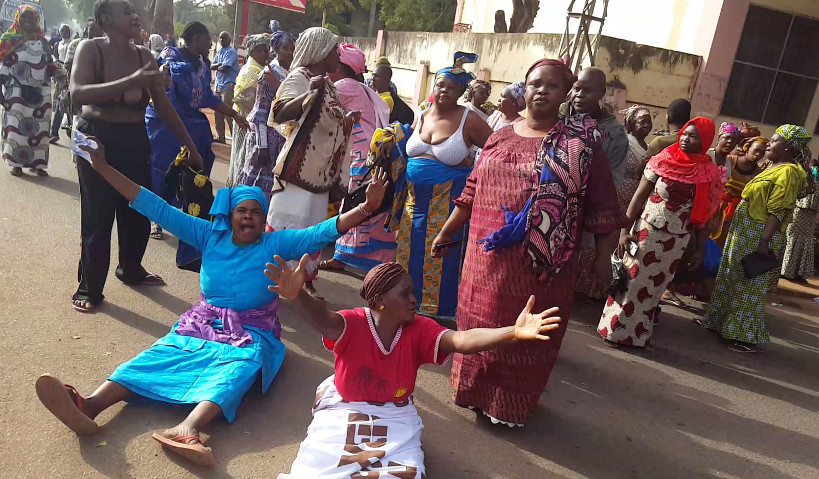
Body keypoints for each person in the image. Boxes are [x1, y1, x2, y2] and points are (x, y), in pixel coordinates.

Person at [35, 137, 390, 467]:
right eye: (241, 210)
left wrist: (366, 208)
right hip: (201, 323)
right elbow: (153, 205)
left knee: (237, 369)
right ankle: (89, 405)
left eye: (256, 212)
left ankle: (187, 429)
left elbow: (323, 231)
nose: (248, 216)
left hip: (253, 331)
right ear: (229, 216)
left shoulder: (276, 243)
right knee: (158, 355)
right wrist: (101, 167)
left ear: (263, 220)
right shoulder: (208, 234)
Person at [433, 58, 624, 426]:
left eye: (552, 86)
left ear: (565, 93)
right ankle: (472, 391)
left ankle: (508, 405)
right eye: (536, 83)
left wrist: (603, 258)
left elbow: (602, 204)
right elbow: (472, 188)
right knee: (478, 320)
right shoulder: (501, 134)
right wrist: (448, 230)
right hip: (484, 257)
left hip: (539, 267)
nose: (542, 91)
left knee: (525, 331)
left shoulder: (580, 145)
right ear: (525, 88)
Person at [270, 260, 562, 477]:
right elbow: (322, 318)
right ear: (380, 301)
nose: (414, 299)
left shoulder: (419, 329)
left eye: (413, 292)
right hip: (345, 408)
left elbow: (461, 340)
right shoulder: (353, 322)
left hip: (395, 413)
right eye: (405, 294)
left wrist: (512, 332)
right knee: (317, 468)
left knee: (401, 473)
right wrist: (298, 295)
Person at [69, 0, 205, 312]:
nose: (134, 16)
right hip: (96, 139)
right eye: (126, 11)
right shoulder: (91, 49)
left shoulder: (144, 56)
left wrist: (191, 146)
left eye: (134, 11)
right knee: (97, 216)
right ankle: (89, 287)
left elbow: (163, 105)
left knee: (138, 209)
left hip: (134, 139)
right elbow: (78, 93)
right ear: (106, 18)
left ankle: (130, 268)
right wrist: (133, 81)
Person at [598, 117, 723, 348]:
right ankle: (614, 332)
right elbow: (638, 198)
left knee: (654, 289)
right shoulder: (663, 160)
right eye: (685, 134)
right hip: (647, 233)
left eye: (693, 136)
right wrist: (624, 231)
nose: (686, 139)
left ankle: (638, 337)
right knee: (631, 283)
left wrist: (700, 248)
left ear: (705, 141)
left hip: (676, 240)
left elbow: (705, 215)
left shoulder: (708, 173)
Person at [146, 21, 249, 270]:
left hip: (193, 128)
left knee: (195, 184)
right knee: (163, 175)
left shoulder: (202, 66)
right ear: (194, 39)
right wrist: (171, 70)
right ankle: (155, 219)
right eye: (206, 39)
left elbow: (209, 98)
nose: (210, 44)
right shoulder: (172, 55)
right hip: (167, 127)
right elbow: (166, 74)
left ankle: (190, 245)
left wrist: (234, 114)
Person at [701, 125, 812, 352]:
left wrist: (764, 241)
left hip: (758, 234)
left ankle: (742, 336)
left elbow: (778, 210)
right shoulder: (773, 166)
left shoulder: (788, 172)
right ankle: (721, 323)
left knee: (748, 284)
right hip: (745, 231)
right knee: (732, 277)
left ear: (788, 147)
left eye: (775, 140)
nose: (769, 144)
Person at [399, 52, 493, 320]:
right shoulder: (422, 114)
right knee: (408, 253)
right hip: (413, 203)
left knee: (441, 255)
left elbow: (497, 151)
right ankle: (408, 305)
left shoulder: (469, 119)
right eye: (440, 85)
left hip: (447, 205)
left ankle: (439, 313)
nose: (444, 91)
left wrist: (472, 170)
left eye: (451, 87)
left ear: (461, 92)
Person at [267, 27, 357, 297]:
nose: (338, 56)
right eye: (333, 50)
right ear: (320, 51)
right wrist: (308, 94)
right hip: (297, 174)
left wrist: (346, 122)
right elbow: (279, 113)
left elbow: (327, 123)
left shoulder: (328, 84)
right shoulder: (300, 78)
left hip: (319, 176)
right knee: (289, 227)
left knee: (311, 229)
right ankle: (274, 280)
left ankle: (304, 280)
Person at [318, 42, 392, 272]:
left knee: (355, 203)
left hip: (362, 155)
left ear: (339, 66)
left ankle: (343, 257)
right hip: (367, 153)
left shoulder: (345, 86)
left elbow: (316, 103)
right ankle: (349, 256)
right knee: (360, 204)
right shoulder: (357, 86)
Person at [576, 104, 653, 300]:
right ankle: (584, 286)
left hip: (633, 197)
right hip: (617, 191)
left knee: (615, 242)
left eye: (648, 121)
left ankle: (601, 288)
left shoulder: (648, 147)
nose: (646, 125)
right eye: (641, 121)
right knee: (601, 237)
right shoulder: (624, 142)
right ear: (631, 123)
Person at [569, 67, 629, 300]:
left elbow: (609, 186)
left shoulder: (613, 133)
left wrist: (602, 252)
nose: (579, 95)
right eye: (576, 88)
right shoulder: (558, 116)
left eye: (587, 90)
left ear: (602, 94)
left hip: (580, 216)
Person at [237, 21, 294, 200]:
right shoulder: (269, 74)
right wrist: (262, 146)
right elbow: (261, 111)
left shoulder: (287, 73)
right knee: (255, 185)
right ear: (276, 49)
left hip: (280, 139)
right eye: (285, 48)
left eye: (292, 48)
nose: (290, 52)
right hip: (266, 140)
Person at [0, 5, 60, 176]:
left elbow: (49, 63)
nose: (27, 21)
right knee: (15, 129)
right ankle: (16, 164)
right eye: (24, 17)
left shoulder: (43, 42)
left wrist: (57, 72)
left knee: (40, 130)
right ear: (17, 18)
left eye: (31, 18)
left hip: (41, 93)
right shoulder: (8, 39)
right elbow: (3, 65)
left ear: (36, 21)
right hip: (16, 93)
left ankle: (38, 164)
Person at [226, 34, 270, 188]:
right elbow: (244, 99)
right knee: (243, 156)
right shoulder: (250, 71)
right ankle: (238, 187)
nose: (264, 54)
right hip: (246, 118)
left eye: (266, 50)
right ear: (252, 51)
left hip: (254, 118)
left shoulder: (261, 69)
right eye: (260, 50)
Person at [709, 136, 767, 249]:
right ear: (747, 147)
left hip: (738, 212)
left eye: (762, 153)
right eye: (756, 150)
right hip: (717, 206)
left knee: (725, 243)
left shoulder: (760, 173)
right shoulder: (729, 161)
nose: (758, 155)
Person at [780, 155, 819, 283]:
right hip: (800, 209)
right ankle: (787, 270)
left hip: (810, 213)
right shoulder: (809, 172)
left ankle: (796, 272)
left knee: (804, 239)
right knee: (792, 236)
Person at [211, 31, 239, 144]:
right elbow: (212, 66)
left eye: (224, 38)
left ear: (229, 40)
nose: (221, 40)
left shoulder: (231, 52)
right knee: (217, 112)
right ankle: (220, 136)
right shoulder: (220, 51)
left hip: (228, 86)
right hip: (218, 86)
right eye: (220, 38)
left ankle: (235, 139)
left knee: (229, 113)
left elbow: (225, 68)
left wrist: (218, 65)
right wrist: (219, 65)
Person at [367, 61, 414, 125]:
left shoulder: (386, 100)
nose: (372, 79)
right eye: (373, 75)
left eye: (377, 76)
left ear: (387, 80)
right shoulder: (375, 95)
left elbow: (372, 120)